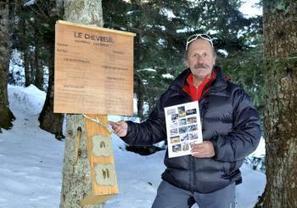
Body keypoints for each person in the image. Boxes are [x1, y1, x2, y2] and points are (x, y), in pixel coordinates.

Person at [110, 34, 261, 208]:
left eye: (205, 54)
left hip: (219, 182)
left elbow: (251, 135)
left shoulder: (234, 95)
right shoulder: (173, 94)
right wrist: (129, 130)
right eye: (195, 55)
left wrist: (215, 148)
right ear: (187, 61)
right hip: (177, 181)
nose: (200, 60)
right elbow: (154, 129)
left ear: (213, 59)